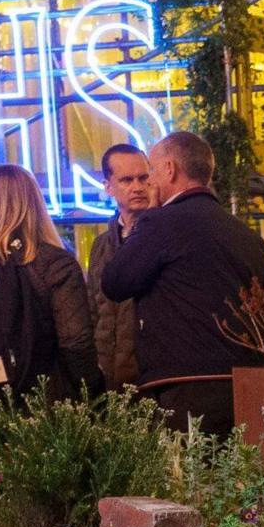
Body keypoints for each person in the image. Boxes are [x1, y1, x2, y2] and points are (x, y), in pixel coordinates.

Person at [97, 130, 264, 432]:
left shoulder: (160, 223)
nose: (148, 183)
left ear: (170, 170)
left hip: (181, 388)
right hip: (246, 387)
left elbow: (116, 282)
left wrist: (150, 218)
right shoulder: (250, 239)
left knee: (188, 476)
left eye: (150, 171)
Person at [0, 164, 100, 420]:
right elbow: (75, 340)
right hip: (48, 403)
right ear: (35, 201)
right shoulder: (55, 263)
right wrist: (95, 394)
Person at [86, 142, 155, 391]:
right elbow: (93, 310)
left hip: (151, 381)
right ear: (108, 186)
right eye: (126, 180)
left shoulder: (162, 237)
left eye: (143, 178)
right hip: (107, 382)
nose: (137, 187)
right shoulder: (101, 246)